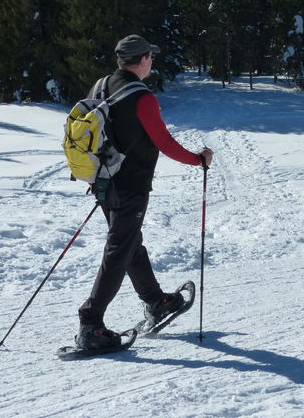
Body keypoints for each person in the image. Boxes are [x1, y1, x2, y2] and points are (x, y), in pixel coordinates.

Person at [76, 34, 214, 349]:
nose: (152, 60)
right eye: (151, 56)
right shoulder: (141, 97)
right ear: (142, 59)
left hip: (102, 184)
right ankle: (91, 322)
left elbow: (89, 137)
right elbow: (163, 142)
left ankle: (156, 301)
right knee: (119, 248)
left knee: (128, 243)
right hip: (130, 186)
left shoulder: (100, 87)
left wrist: (92, 175)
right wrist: (198, 160)